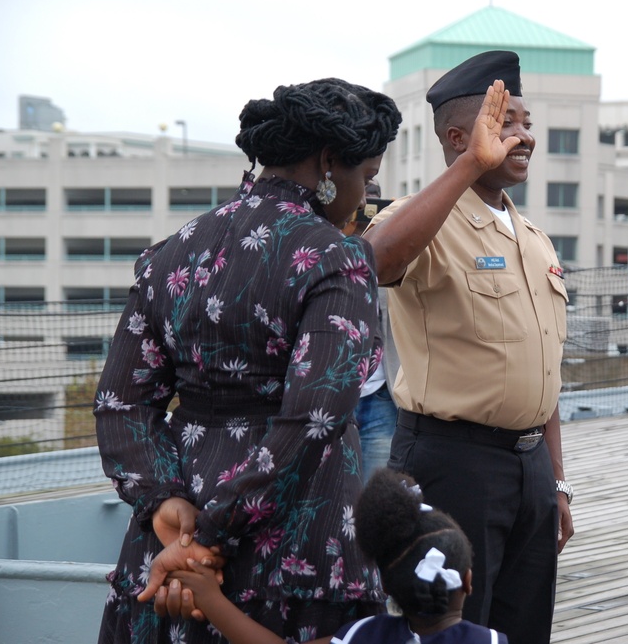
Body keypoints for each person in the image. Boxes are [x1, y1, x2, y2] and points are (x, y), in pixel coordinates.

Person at [94, 78, 402, 643]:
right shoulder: (337, 257)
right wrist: (212, 536)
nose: (365, 197)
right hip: (293, 540)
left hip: (169, 540)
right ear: (330, 161)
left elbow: (121, 404)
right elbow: (315, 418)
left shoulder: (169, 252)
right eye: (368, 177)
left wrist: (167, 510)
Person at [364, 50, 574, 644]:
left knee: (524, 627)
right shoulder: (424, 219)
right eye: (506, 124)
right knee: (452, 629)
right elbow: (376, 260)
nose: (525, 136)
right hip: (454, 462)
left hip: (530, 467)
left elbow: (544, 366)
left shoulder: (533, 238)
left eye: (527, 122)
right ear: (459, 137)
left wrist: (555, 481)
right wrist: (465, 170)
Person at [165, 468, 507, 644]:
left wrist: (211, 599)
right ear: (468, 581)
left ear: (385, 586)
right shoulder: (491, 642)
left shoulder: (367, 635)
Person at [353, 178, 399, 483]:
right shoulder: (326, 240)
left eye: (374, 197)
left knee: (374, 494)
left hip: (380, 394)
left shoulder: (388, 249)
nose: (366, 203)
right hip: (336, 396)